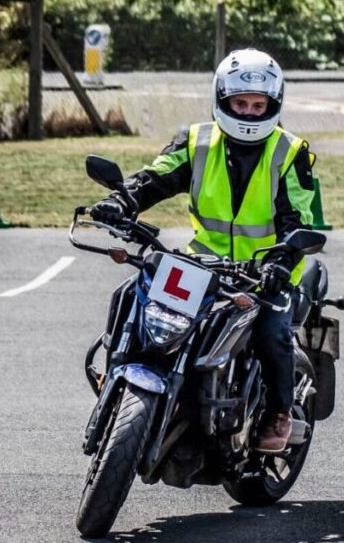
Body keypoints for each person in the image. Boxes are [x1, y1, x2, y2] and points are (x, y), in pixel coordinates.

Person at [92, 49, 316, 451]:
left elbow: (298, 217)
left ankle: (278, 411)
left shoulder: (289, 152)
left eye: (258, 105)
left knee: (271, 332)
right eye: (240, 104)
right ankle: (118, 368)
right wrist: (122, 201)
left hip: (266, 273)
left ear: (273, 104)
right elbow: (155, 177)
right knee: (133, 291)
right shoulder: (196, 142)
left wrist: (283, 260)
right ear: (222, 100)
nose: (248, 113)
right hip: (203, 264)